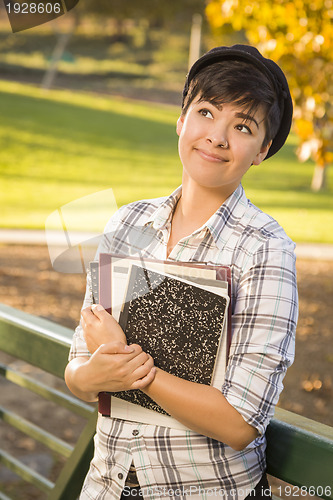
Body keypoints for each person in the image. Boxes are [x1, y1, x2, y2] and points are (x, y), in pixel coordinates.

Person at [65, 44, 298, 500]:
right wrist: (94, 373)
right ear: (181, 120)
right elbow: (78, 370)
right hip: (106, 486)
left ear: (262, 150)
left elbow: (240, 423)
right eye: (207, 112)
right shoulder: (127, 223)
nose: (217, 136)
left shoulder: (266, 250)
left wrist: (131, 366)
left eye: (243, 126)